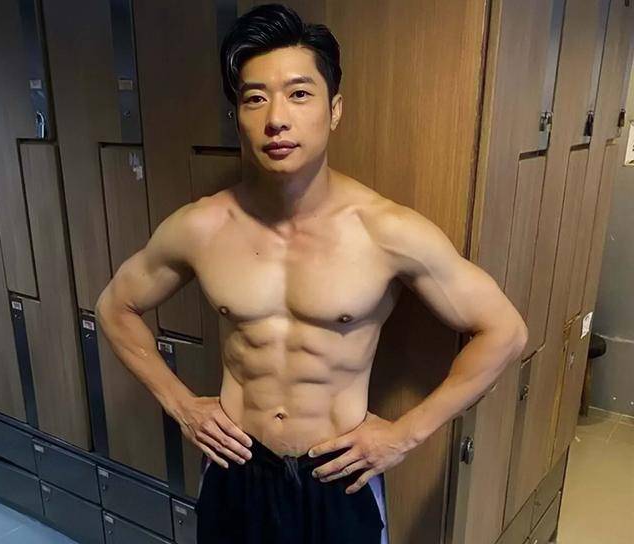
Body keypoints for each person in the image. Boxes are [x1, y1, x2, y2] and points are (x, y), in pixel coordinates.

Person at [95, 4, 528, 543]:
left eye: (299, 93)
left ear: (334, 108)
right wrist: (182, 406)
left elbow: (505, 332)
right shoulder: (201, 227)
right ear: (237, 115)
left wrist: (405, 435)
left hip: (339, 473)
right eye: (255, 98)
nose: (276, 118)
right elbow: (115, 307)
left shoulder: (386, 231)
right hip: (237, 465)